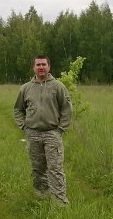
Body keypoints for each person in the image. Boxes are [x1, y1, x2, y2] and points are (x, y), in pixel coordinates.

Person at [14, 55, 73, 205]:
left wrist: (60, 130)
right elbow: (18, 109)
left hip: (52, 133)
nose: (41, 67)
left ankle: (59, 202)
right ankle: (41, 197)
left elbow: (67, 110)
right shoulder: (26, 88)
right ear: (33, 67)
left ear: (49, 67)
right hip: (32, 134)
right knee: (37, 168)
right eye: (38, 65)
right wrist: (24, 127)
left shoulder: (58, 86)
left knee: (55, 168)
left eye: (44, 64)